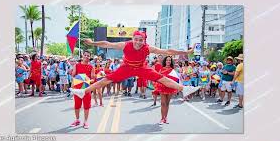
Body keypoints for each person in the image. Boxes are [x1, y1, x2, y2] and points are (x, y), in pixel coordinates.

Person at [70, 30, 200, 99]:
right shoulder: (125, 45)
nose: (138, 42)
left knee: (163, 79)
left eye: (141, 40)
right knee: (105, 80)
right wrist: (92, 43)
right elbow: (106, 44)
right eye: (136, 40)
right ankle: (83, 91)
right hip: (126, 67)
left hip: (142, 68)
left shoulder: (148, 48)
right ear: (132, 39)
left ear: (144, 40)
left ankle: (184, 89)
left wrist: (186, 51)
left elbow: (168, 51)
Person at [70, 50, 95, 129]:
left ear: (90, 57)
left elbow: (93, 79)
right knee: (77, 105)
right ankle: (77, 120)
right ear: (82, 56)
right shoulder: (76, 65)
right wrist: (73, 76)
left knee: (86, 106)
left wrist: (86, 80)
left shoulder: (91, 67)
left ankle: (86, 121)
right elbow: (73, 76)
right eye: (85, 55)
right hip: (77, 89)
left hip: (86, 89)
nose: (86, 57)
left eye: (88, 56)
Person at [157, 56, 178, 124]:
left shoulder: (173, 70)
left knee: (167, 103)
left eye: (169, 60)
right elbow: (158, 77)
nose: (168, 61)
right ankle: (162, 118)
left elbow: (176, 79)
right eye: (167, 60)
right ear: (165, 61)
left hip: (170, 87)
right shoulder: (162, 69)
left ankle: (165, 118)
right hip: (162, 87)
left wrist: (176, 87)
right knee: (163, 103)